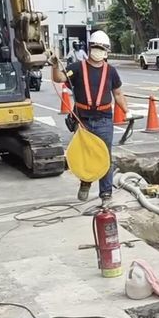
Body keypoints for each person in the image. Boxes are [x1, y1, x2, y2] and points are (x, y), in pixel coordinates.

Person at [51, 30, 131, 205]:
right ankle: (85, 184)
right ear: (89, 47)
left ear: (107, 50)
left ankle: (106, 195)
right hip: (83, 120)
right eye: (95, 47)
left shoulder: (111, 71)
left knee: (105, 157)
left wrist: (126, 111)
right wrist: (55, 65)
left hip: (104, 120)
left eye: (102, 48)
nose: (98, 50)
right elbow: (59, 78)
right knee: (86, 155)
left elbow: (117, 93)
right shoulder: (77, 68)